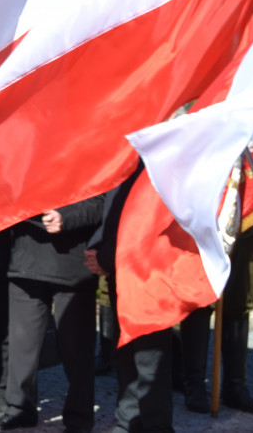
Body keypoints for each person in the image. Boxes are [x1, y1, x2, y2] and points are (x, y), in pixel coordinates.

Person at [180, 125, 253, 414]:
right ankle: (193, 384)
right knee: (199, 306)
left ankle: (234, 386)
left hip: (250, 228)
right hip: (207, 229)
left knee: (239, 308)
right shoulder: (206, 115)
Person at [0, 196, 103, 432]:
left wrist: (67, 216)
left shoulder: (86, 158)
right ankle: (19, 407)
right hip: (24, 258)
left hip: (72, 262)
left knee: (76, 348)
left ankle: (79, 416)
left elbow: (103, 200)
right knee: (21, 345)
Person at [86, 165, 175, 433]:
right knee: (125, 350)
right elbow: (113, 205)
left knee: (150, 354)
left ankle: (155, 425)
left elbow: (143, 216)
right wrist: (100, 246)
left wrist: (105, 255)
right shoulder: (128, 156)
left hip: (150, 269)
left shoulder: (159, 159)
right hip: (123, 267)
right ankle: (129, 419)